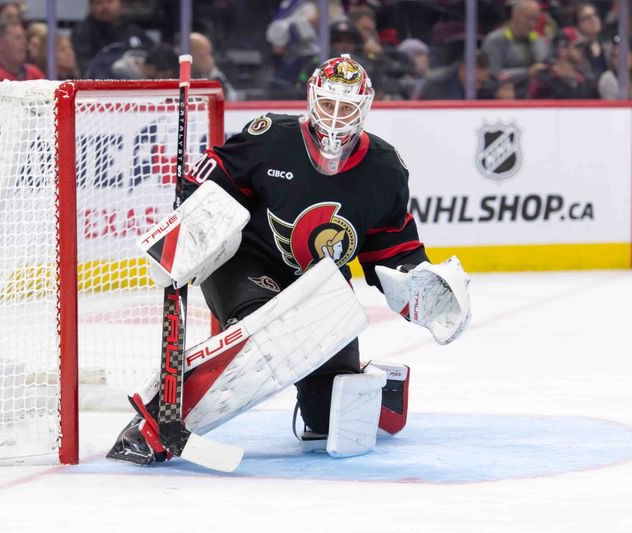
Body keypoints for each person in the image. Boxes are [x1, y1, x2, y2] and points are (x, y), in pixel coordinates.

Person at [107, 55, 471, 466]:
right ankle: (152, 425)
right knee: (266, 333)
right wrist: (192, 200)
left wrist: (416, 280)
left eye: (347, 107)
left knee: (326, 426)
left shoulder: (384, 168)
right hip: (247, 264)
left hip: (320, 288)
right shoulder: (271, 137)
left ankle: (379, 382)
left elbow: (391, 246)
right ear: (313, 98)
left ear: (364, 107)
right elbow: (216, 180)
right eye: (329, 104)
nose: (336, 117)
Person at [481, 0, 550, 97]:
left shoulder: (539, 41)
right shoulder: (494, 41)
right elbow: (492, 76)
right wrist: (527, 72)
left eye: (536, 19)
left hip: (535, 99)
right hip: (504, 99)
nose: (532, 24)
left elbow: (546, 69)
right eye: (528, 18)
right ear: (514, 14)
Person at [71, 0, 152, 74]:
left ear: (121, 4)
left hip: (136, 85)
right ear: (91, 7)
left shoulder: (133, 30)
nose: (105, 7)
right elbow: (84, 67)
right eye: (99, 3)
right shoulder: (83, 32)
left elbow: (150, 57)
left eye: (110, 1)